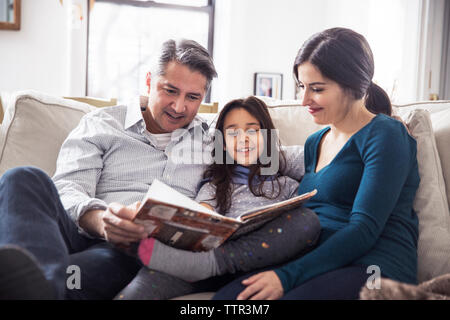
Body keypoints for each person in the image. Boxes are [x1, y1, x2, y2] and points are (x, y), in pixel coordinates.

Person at [0, 39, 219, 299]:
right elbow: (69, 188)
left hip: (128, 255)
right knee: (23, 177)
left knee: (72, 278)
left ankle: (41, 283)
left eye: (192, 97)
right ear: (149, 81)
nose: (179, 106)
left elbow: (271, 161)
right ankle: (36, 276)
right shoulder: (102, 123)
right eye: (170, 91)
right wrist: (102, 221)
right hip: (82, 232)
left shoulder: (214, 140)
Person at [213, 27, 420, 300]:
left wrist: (286, 277)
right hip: (316, 259)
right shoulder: (315, 142)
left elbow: (364, 229)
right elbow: (259, 158)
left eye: (317, 89)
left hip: (375, 266)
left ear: (352, 85)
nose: (304, 100)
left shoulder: (386, 135)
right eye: (301, 86)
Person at [115, 96, 320, 300]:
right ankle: (205, 263)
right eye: (232, 133)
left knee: (307, 220)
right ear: (222, 144)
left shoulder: (286, 182)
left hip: (259, 261)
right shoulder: (216, 186)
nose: (243, 139)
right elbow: (203, 211)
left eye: (252, 130)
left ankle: (214, 263)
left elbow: (323, 157)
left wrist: (273, 156)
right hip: (198, 264)